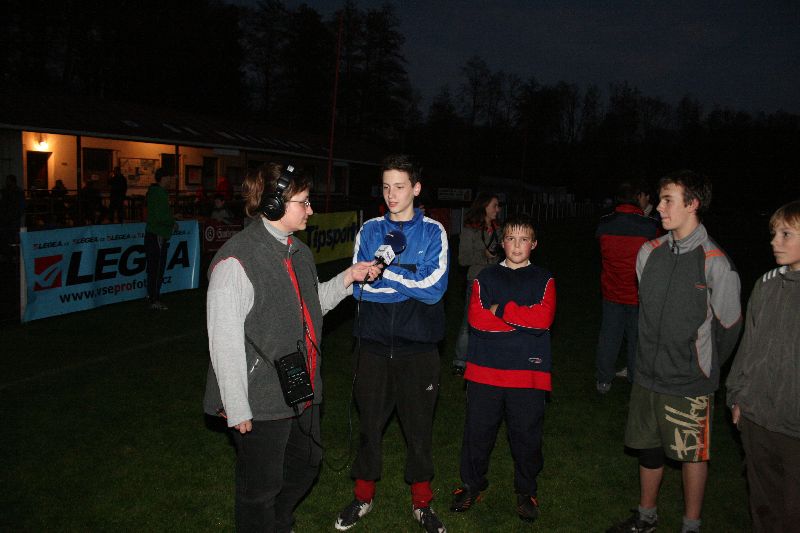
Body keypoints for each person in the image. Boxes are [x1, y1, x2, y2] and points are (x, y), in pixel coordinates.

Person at [204, 163, 379, 533]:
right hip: (259, 395)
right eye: (304, 202)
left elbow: (311, 304)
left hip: (300, 384)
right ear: (274, 205)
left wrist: (349, 277)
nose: (311, 210)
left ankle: (278, 522)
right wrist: (237, 406)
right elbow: (224, 340)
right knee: (260, 488)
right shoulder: (236, 261)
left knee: (307, 462)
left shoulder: (298, 251)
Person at [608, 170, 742, 533]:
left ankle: (691, 526)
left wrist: (701, 365)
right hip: (647, 376)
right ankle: (646, 517)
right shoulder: (648, 252)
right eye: (660, 199)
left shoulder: (714, 261)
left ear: (692, 204)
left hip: (688, 382)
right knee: (648, 448)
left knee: (692, 455)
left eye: (668, 200)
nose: (659, 207)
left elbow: (729, 327)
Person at [335, 154, 449, 533]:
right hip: (372, 344)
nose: (391, 194)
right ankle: (362, 496)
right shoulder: (369, 230)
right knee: (369, 425)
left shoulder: (433, 231)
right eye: (386, 187)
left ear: (416, 188)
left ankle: (422, 503)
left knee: (419, 429)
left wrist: (388, 275)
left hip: (419, 347)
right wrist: (407, 277)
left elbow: (434, 289)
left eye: (399, 186)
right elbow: (359, 289)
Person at [450, 214, 556, 522]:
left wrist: (503, 311)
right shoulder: (485, 278)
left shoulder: (544, 279)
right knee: (477, 433)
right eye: (511, 238)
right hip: (485, 371)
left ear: (534, 244)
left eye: (524, 239)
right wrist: (522, 321)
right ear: (502, 243)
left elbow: (543, 320)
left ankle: (526, 490)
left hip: (528, 374)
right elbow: (477, 322)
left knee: (526, 437)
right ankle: (472, 485)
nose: (517, 245)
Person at [725, 200, 800, 533]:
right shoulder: (766, 284)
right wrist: (737, 395)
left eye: (786, 234)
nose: (774, 241)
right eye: (774, 233)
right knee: (763, 507)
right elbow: (749, 346)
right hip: (757, 418)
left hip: (795, 427)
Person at [594, 182, 659, 393]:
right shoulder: (649, 226)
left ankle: (604, 380)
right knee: (637, 339)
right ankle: (634, 378)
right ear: (637, 197)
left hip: (612, 291)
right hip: (638, 294)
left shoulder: (605, 223)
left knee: (609, 337)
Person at [452, 192, 501, 376]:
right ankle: (460, 361)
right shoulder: (470, 229)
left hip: (495, 281)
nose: (498, 209)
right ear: (484, 206)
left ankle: (486, 359)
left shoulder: (497, 229)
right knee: (468, 323)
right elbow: (463, 259)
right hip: (477, 281)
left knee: (493, 321)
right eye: (495, 205)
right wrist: (484, 256)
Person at [144, 168, 175, 310]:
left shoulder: (153, 192)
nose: (171, 180)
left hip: (153, 233)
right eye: (169, 177)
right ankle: (154, 299)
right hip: (158, 234)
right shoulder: (160, 193)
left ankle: (152, 295)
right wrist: (172, 222)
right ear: (164, 178)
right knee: (157, 269)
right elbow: (161, 216)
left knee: (153, 268)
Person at [0, 174, 26, 260]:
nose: (7, 182)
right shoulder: (7, 191)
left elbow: (20, 205)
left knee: (13, 236)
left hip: (12, 218)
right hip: (7, 217)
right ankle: (9, 254)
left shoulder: (17, 191)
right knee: (7, 236)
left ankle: (14, 254)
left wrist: (17, 214)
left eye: (8, 181)